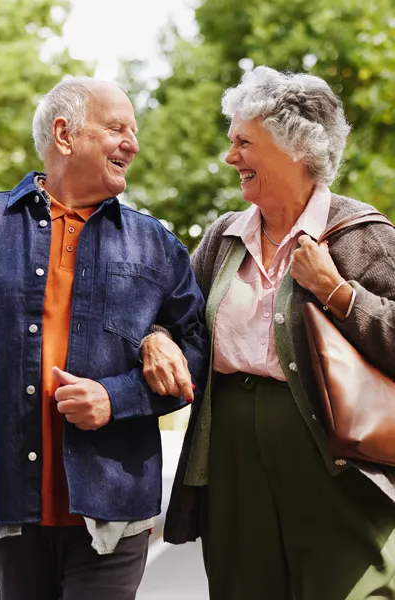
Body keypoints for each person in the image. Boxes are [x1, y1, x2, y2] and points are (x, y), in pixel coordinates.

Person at [0, 76, 209, 600]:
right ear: (64, 135)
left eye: (134, 131)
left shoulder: (155, 244)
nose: (132, 144)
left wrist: (117, 397)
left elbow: (197, 352)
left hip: (113, 509)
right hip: (4, 504)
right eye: (117, 129)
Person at [152, 66, 395, 599]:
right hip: (232, 454)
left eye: (244, 142)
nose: (229, 157)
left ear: (296, 147)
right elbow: (174, 317)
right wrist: (158, 338)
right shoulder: (224, 237)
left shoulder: (363, 236)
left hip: (333, 457)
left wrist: (338, 292)